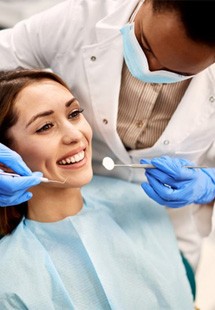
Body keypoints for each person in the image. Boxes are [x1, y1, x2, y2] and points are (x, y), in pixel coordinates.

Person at [0, 0, 214, 269]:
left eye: (178, 72)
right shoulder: (83, 17)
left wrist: (210, 183)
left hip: (166, 228)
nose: (150, 68)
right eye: (145, 46)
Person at [0, 68, 194, 309]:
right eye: (45, 127)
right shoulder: (9, 279)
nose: (75, 135)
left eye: (74, 113)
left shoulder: (138, 203)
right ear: (5, 159)